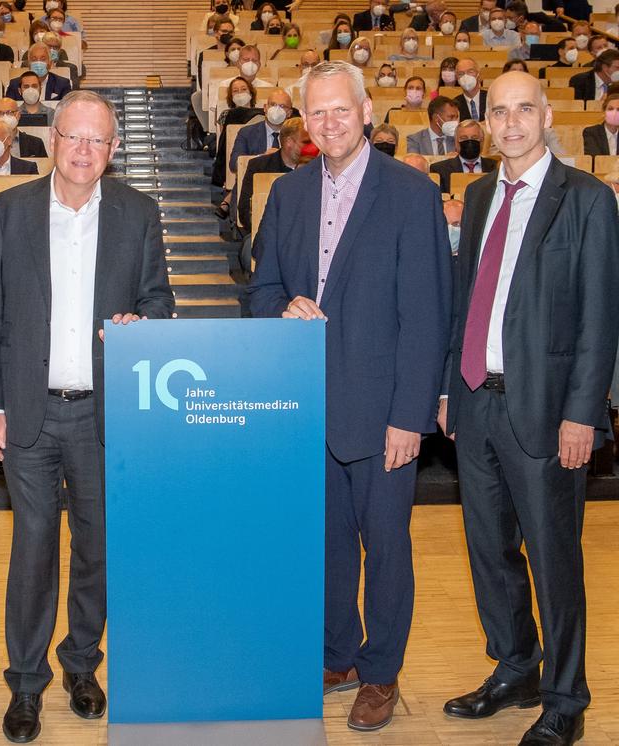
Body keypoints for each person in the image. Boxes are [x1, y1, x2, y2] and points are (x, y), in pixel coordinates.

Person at [249, 59, 451, 733]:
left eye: (340, 110)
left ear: (367, 113)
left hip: (382, 410)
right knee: (326, 544)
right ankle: (336, 655)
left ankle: (380, 671)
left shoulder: (409, 193)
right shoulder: (288, 194)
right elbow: (261, 290)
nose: (328, 122)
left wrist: (409, 417)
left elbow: (426, 315)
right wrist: (283, 310)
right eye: (316, 112)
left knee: (386, 546)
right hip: (308, 408)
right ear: (302, 122)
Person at [0, 88, 174, 744]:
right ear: (53, 138)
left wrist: (144, 323)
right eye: (74, 137)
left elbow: (160, 301)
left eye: (98, 141)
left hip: (104, 415)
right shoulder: (9, 210)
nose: (84, 151)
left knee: (97, 550)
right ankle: (26, 683)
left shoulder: (140, 213)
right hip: (27, 413)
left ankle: (82, 663)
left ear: (113, 151)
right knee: (34, 550)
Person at [438, 70, 619, 746]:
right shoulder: (481, 193)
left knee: (553, 559)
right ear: (484, 120)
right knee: (489, 551)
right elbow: (465, 302)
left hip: (548, 412)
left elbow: (601, 319)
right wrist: (447, 388)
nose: (510, 123)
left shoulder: (588, 199)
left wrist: (584, 413)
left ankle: (567, 698)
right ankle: (516, 668)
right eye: (499, 111)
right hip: (477, 404)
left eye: (524, 110)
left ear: (546, 115)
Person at [238, 116, 304, 233]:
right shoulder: (259, 166)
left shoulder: (317, 168)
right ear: (288, 142)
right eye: (305, 142)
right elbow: (244, 210)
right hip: (265, 232)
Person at [229, 88, 292, 173]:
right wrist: (262, 158)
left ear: (289, 113)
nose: (276, 109)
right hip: (252, 182)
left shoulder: (296, 135)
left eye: (282, 106)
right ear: (265, 108)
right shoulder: (246, 133)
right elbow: (234, 164)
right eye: (273, 105)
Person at [430, 118, 497, 192]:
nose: (469, 142)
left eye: (474, 138)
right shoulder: (439, 170)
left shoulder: (496, 167)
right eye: (464, 138)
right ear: (456, 142)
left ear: (482, 141)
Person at [6, 43, 71, 101]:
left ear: (50, 63)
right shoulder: (14, 84)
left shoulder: (62, 84)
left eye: (43, 59)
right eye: (34, 59)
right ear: (28, 64)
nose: (38, 62)